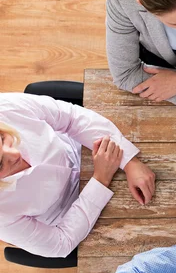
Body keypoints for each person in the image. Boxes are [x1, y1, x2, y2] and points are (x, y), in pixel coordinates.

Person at [0, 93, 155, 258]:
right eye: (1, 163)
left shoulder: (5, 107)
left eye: (2, 139)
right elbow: (60, 243)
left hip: (82, 147)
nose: (16, 153)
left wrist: (129, 161)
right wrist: (101, 178)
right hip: (74, 214)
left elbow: (71, 117)